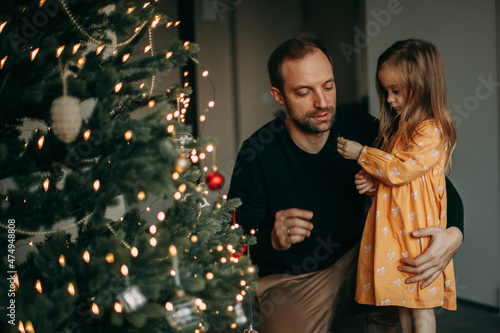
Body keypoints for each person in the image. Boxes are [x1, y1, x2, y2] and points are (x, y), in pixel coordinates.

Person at [228, 37, 463, 332]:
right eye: (304, 92)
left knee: (405, 301)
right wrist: (271, 239)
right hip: (296, 278)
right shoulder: (257, 154)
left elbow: (431, 181)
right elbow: (232, 243)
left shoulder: (365, 129)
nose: (323, 102)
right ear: (279, 96)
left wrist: (454, 234)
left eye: (328, 86)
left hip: (364, 255)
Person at [336, 39, 457, 333]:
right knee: (403, 304)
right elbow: (404, 186)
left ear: (422, 87)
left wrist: (362, 154)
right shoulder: (401, 130)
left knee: (422, 310)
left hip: (417, 234)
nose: (389, 99)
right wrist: (375, 183)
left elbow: (401, 170)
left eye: (396, 91)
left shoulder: (431, 131)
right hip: (397, 229)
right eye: (386, 91)